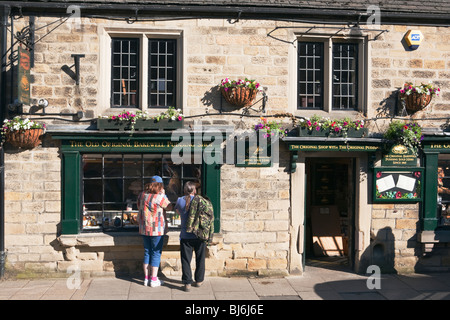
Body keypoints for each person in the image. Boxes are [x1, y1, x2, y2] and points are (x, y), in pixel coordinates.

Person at [137, 175, 170, 287]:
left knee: (147, 252)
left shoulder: (142, 195)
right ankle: (154, 279)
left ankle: (146, 279)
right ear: (160, 185)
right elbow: (169, 207)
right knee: (156, 253)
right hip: (157, 229)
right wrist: (164, 194)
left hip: (144, 228)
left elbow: (138, 206)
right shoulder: (160, 197)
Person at [175, 181, 206, 292]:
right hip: (199, 235)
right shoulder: (201, 201)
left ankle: (187, 283)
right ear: (194, 190)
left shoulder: (179, 201)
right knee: (200, 258)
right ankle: (199, 280)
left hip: (185, 235)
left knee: (185, 260)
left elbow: (178, 212)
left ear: (184, 190)